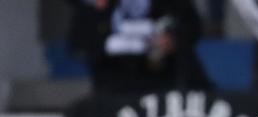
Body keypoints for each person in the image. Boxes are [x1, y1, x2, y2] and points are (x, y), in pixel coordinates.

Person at [65, 0, 209, 93]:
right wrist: (95, 11)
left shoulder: (170, 6)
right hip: (112, 85)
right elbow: (78, 44)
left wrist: (173, 40)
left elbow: (192, 27)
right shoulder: (95, 7)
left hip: (162, 83)